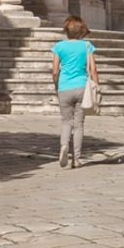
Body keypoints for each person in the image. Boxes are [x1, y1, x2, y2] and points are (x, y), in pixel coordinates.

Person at [53, 15, 97, 168]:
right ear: (81, 31)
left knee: (66, 122)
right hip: (81, 88)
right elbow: (93, 69)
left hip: (64, 87)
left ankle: (64, 146)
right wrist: (96, 87)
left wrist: (56, 84)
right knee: (79, 124)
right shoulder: (87, 46)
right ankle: (76, 159)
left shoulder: (59, 47)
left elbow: (54, 71)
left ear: (66, 31)